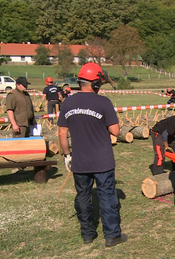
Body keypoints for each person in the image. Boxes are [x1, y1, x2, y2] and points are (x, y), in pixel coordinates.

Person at [57, 63, 127, 247]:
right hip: (102, 161)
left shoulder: (68, 103)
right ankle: (112, 235)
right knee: (107, 197)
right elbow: (115, 130)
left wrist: (67, 155)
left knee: (83, 196)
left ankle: (87, 234)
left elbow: (62, 133)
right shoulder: (103, 102)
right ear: (96, 83)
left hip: (79, 161)